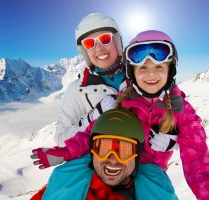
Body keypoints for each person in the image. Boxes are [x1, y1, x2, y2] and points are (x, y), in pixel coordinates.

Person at [32, 30, 209, 199]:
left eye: (159, 67)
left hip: (149, 167)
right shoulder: (125, 100)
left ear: (171, 70)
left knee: (157, 191)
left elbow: (197, 159)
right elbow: (93, 132)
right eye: (142, 68)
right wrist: (65, 153)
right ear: (131, 72)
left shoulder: (181, 110)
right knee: (66, 174)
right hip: (112, 154)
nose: (151, 74)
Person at [31, 108, 145, 200]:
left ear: (137, 155)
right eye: (103, 148)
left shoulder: (153, 192)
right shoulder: (61, 185)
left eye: (124, 151)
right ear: (92, 152)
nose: (113, 160)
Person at [54, 12, 126, 147]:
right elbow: (61, 140)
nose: (99, 48)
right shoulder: (77, 90)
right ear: (85, 52)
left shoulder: (140, 76)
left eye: (105, 39)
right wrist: (93, 117)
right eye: (89, 43)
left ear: (117, 42)